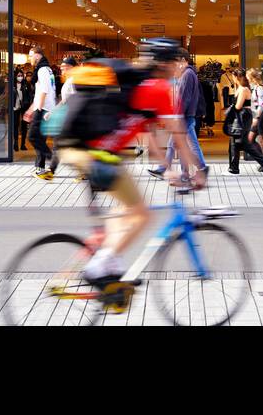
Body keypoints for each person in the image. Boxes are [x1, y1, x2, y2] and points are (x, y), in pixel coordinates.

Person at [59, 39, 204, 285]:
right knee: (143, 215)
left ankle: (110, 262)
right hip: (95, 155)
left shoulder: (135, 82)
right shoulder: (159, 88)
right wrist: (198, 172)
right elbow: (178, 134)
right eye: (176, 61)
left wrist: (168, 170)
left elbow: (147, 136)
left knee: (124, 209)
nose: (179, 65)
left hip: (78, 148)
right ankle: (99, 267)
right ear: (166, 63)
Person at [148, 50, 208, 183]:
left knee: (187, 145)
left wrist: (177, 116)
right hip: (185, 116)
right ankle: (176, 170)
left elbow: (184, 99)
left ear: (183, 60)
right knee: (178, 145)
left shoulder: (187, 74)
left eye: (176, 61)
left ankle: (200, 168)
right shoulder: (188, 74)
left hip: (184, 117)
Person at [227, 69, 263, 174]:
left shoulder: (248, 89)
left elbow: (260, 105)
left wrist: (256, 118)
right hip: (245, 118)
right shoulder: (247, 88)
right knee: (238, 143)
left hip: (246, 118)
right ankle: (234, 168)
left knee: (246, 143)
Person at [24, 47, 57, 179]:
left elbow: (44, 91)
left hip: (43, 109)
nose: (30, 58)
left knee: (33, 136)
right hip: (46, 107)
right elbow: (41, 92)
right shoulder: (47, 69)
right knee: (40, 138)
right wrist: (31, 109)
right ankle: (40, 168)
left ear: (37, 56)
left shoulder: (42, 70)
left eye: (31, 56)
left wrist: (37, 109)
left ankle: (50, 158)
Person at [12, 67, 33, 151]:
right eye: (18, 75)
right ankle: (15, 143)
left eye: (21, 75)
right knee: (15, 125)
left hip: (24, 107)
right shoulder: (12, 85)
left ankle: (23, 144)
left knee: (24, 126)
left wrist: (27, 104)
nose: (20, 77)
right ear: (15, 76)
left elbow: (29, 95)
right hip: (15, 107)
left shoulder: (26, 84)